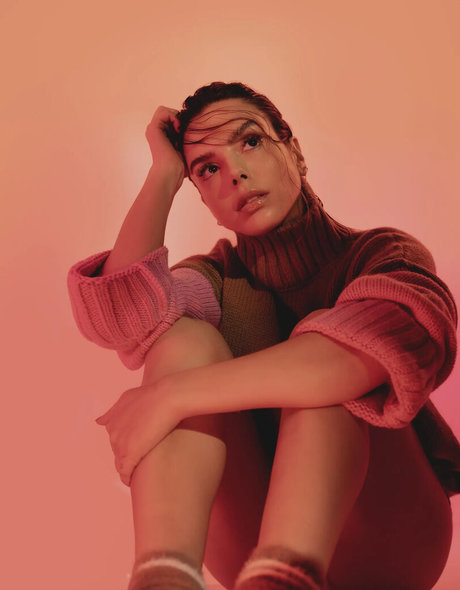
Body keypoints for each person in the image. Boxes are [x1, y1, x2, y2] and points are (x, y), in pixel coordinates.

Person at [67, 82, 460, 590]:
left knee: (326, 371)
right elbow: (120, 320)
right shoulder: (216, 280)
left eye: (249, 141)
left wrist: (169, 396)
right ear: (204, 198)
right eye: (207, 169)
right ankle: (165, 576)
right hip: (248, 540)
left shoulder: (382, 255)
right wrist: (164, 174)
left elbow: (360, 354)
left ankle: (283, 576)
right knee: (182, 341)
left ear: (294, 150)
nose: (235, 173)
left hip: (390, 539)